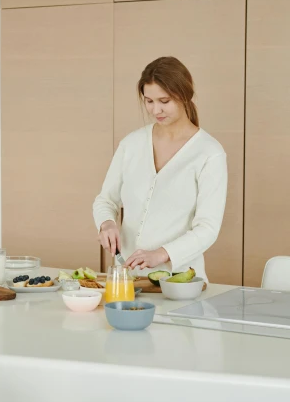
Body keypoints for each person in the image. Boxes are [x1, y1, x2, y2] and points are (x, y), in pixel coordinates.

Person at [93, 56, 228, 282]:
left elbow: (207, 228)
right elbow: (105, 200)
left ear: (185, 95)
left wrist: (161, 254)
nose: (156, 110)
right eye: (149, 101)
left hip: (181, 281)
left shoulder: (209, 153)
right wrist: (106, 223)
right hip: (129, 280)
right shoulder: (131, 144)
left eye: (164, 101)